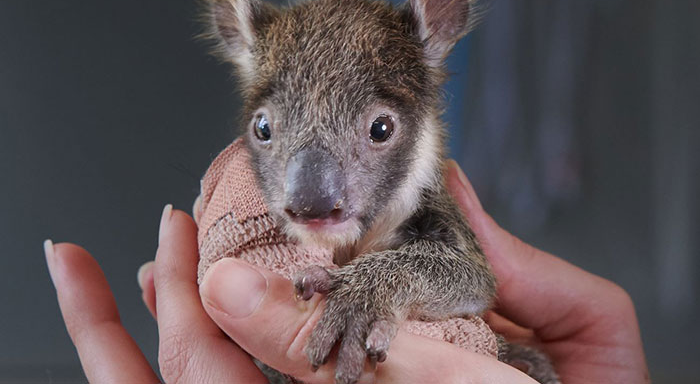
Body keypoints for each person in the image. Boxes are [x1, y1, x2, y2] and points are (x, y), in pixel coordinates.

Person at [44, 162, 650, 383]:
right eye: (269, 131)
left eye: (378, 131)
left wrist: (376, 286)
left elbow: (470, 279)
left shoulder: (420, 189)